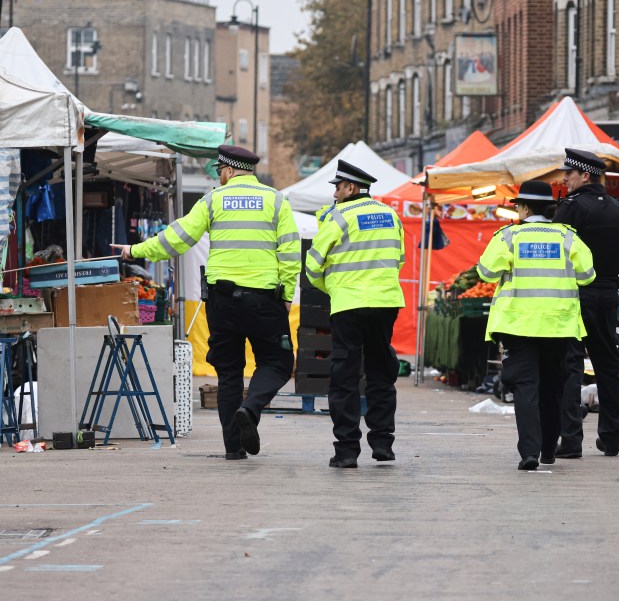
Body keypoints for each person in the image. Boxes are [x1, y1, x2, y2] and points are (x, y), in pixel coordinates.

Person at [112, 145, 300, 460]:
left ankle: (234, 448)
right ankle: (250, 410)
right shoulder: (277, 201)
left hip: (222, 302)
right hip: (263, 299)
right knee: (277, 363)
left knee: (228, 373)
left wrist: (135, 250)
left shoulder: (212, 200)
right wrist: (286, 295)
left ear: (227, 170)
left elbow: (177, 238)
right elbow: (291, 253)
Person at [476, 181, 595, 470]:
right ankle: (549, 450)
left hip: (519, 325)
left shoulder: (509, 237)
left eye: (517, 206)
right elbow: (587, 275)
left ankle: (529, 452)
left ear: (525, 207)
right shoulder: (568, 238)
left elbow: (487, 272)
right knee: (553, 387)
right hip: (559, 325)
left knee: (526, 387)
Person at [304, 160, 405, 469]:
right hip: (385, 304)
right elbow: (398, 258)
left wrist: (334, 288)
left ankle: (347, 450)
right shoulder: (391, 215)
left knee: (345, 377)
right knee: (381, 372)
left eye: (337, 187)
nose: (334, 193)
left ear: (350, 188)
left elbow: (313, 265)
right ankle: (383, 443)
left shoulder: (339, 217)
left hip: (348, 305)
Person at [554, 148, 619, 459]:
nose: (564, 179)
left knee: (571, 365)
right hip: (607, 296)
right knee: (607, 365)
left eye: (569, 174)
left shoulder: (570, 208)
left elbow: (559, 255)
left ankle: (571, 439)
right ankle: (611, 437)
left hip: (575, 294)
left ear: (585, 175)